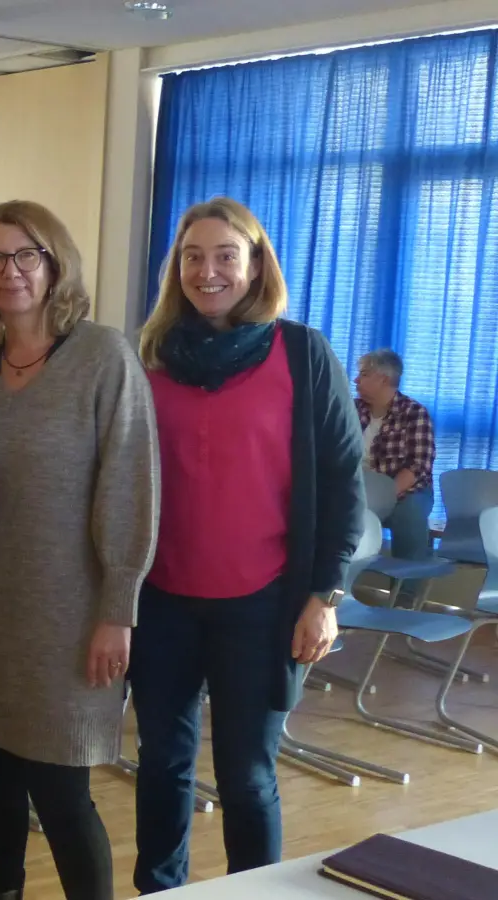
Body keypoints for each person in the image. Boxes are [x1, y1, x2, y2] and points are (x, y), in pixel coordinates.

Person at [131, 197, 363, 894]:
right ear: (176, 269)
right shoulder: (148, 358)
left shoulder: (303, 353)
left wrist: (325, 596)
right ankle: (160, 890)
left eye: (226, 255)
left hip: (262, 604)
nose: (209, 271)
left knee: (247, 775)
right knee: (162, 766)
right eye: (193, 257)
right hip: (163, 600)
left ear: (256, 263)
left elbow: (343, 481)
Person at [0, 200, 159, 900]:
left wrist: (117, 609)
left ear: (55, 264)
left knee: (62, 791)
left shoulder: (102, 357)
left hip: (69, 619)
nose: (11, 272)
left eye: (26, 255)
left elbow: (130, 490)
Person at [354, 349, 435, 569]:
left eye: (363, 374)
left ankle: (407, 595)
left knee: (409, 514)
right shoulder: (351, 409)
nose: (356, 380)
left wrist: (382, 497)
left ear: (384, 379)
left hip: (404, 489)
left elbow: (419, 465)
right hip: (358, 486)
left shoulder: (414, 413)